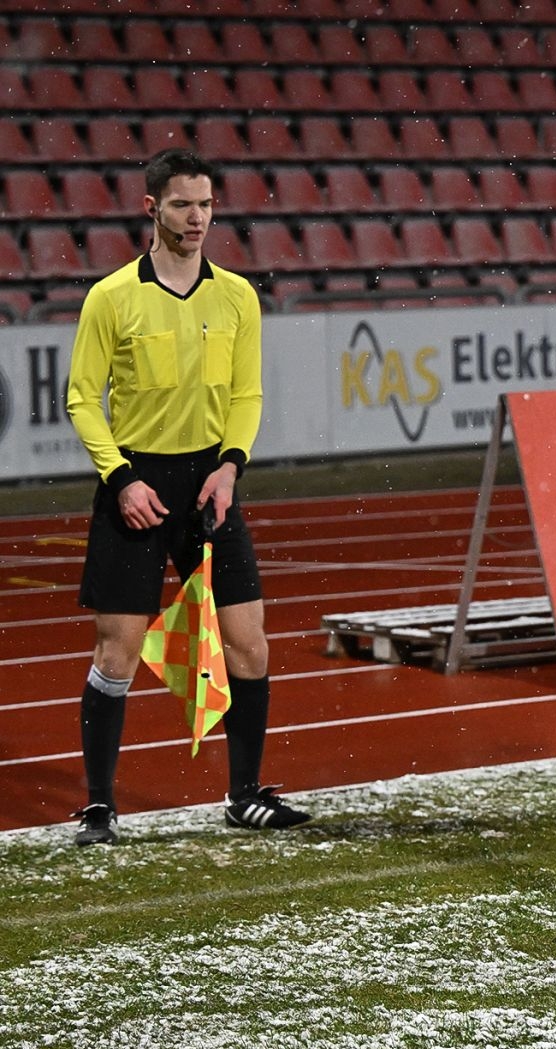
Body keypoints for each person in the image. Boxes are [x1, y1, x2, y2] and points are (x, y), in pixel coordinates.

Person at [67, 148, 310, 845]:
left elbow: (248, 393)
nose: (197, 217)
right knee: (116, 651)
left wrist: (231, 467)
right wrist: (121, 478)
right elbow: (82, 399)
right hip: (135, 487)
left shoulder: (237, 295)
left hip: (212, 487)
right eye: (182, 204)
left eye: (205, 204)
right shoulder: (111, 297)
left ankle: (243, 794)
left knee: (250, 644)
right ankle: (99, 806)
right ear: (152, 209)